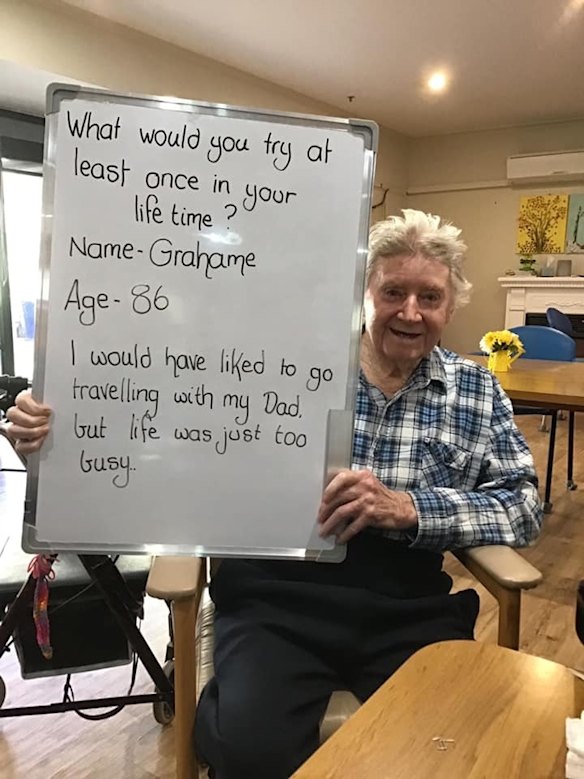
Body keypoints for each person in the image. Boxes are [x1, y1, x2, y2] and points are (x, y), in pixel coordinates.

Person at [6, 210, 543, 778]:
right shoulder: (281, 368)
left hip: (405, 604)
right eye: (393, 292)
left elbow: (523, 504)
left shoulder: (475, 388)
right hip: (275, 599)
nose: (410, 312)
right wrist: (59, 453)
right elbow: (166, 453)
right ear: (363, 295)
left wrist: (409, 508)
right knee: (245, 748)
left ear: (450, 307)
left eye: (429, 297)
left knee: (444, 746)